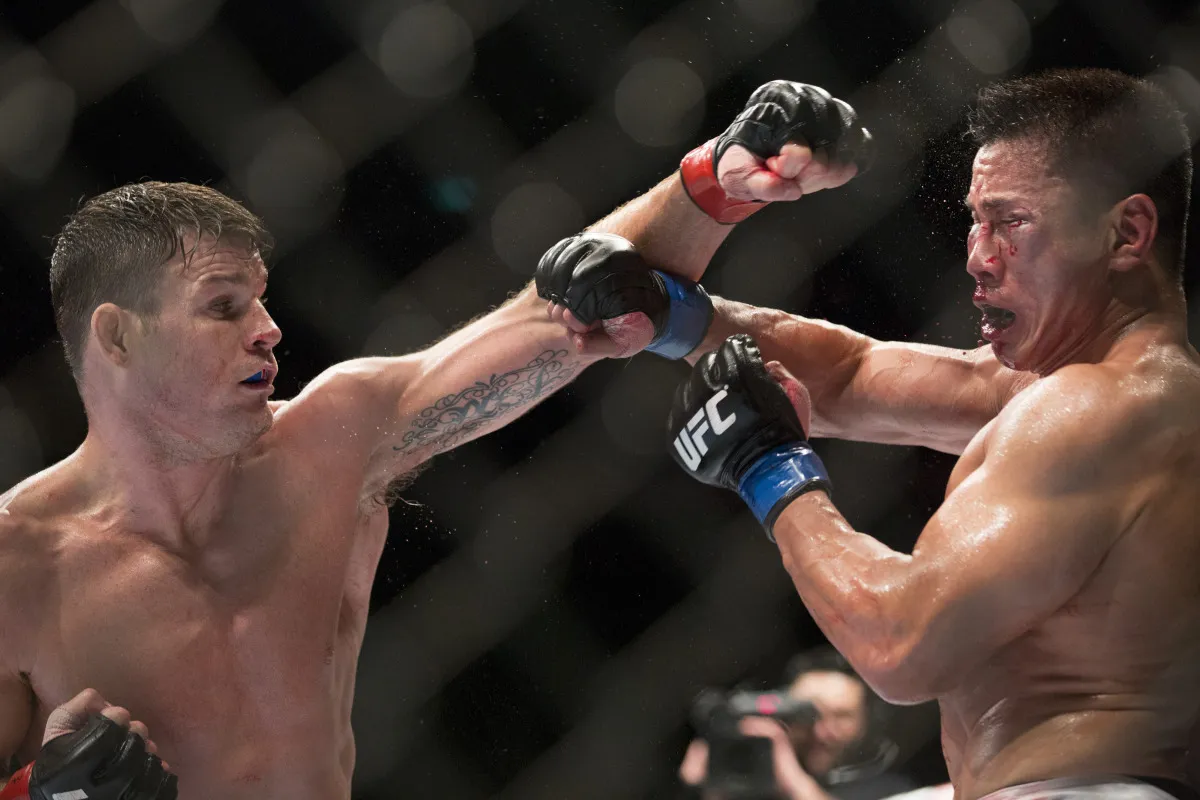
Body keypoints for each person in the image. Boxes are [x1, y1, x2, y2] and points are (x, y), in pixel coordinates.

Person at [0, 79, 865, 800]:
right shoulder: (17, 565)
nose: (267, 330)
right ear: (117, 338)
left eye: (262, 301)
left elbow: (562, 306)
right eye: (224, 306)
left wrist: (716, 181)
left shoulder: (326, 447)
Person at [541, 68, 1200, 800]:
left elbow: (901, 643)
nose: (979, 257)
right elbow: (854, 375)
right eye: (976, 220)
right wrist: (674, 315)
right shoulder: (1106, 392)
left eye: (1012, 223)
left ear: (1128, 232)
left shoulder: (1099, 406)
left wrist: (771, 469)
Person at [679, 647, 918, 800]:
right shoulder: (749, 779)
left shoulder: (893, 790)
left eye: (842, 716)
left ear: (865, 724)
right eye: (806, 715)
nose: (822, 731)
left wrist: (792, 781)